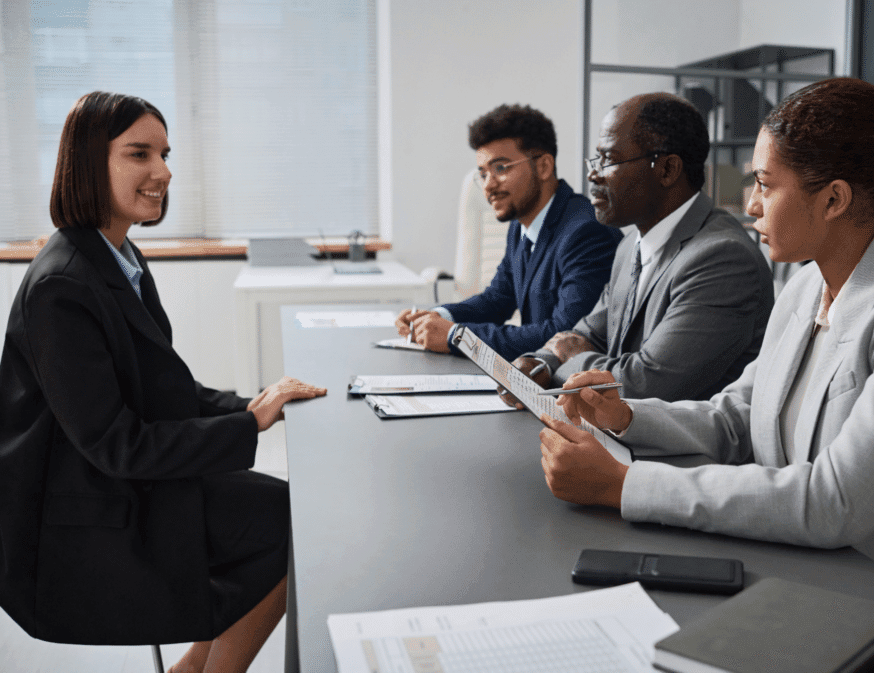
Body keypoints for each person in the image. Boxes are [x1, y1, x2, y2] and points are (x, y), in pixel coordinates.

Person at [538, 78, 874, 649]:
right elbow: (737, 416)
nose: (747, 205)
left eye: (764, 184)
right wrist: (623, 418)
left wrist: (626, 484)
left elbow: (833, 500)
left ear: (834, 199)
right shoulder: (805, 283)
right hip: (829, 580)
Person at [0, 91, 327, 673]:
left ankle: (192, 669)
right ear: (86, 164)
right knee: (293, 525)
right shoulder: (62, 286)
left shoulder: (117, 255)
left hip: (116, 486)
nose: (164, 171)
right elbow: (118, 445)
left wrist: (252, 403)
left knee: (288, 515)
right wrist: (248, 422)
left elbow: (160, 391)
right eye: (139, 154)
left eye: (165, 154)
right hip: (79, 519)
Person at [504, 93, 772, 406]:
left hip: (680, 453)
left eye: (609, 160)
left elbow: (642, 386)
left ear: (668, 170)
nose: (593, 174)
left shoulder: (723, 259)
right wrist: (539, 363)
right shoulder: (630, 244)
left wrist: (569, 359)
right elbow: (586, 335)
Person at [395, 103, 621, 361]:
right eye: (482, 173)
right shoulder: (521, 225)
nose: (488, 185)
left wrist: (457, 336)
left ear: (544, 167)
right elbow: (497, 300)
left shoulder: (586, 232)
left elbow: (565, 336)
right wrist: (435, 317)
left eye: (501, 168)